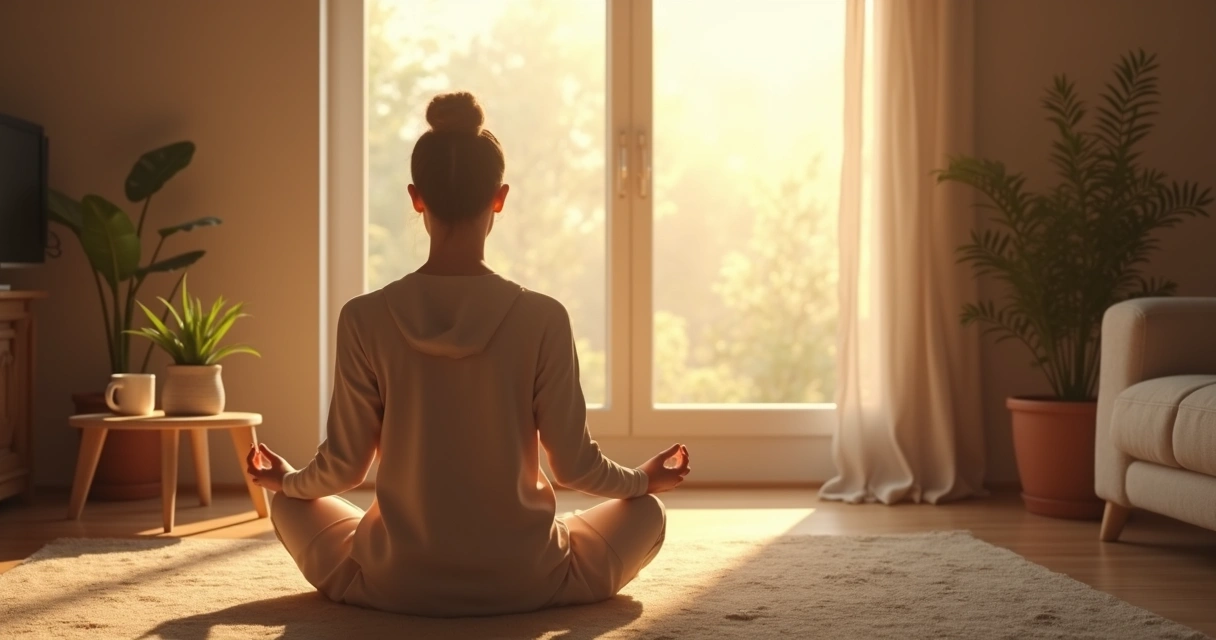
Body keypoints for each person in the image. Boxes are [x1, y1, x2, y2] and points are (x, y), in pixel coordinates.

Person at [245, 91, 691, 618]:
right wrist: (642, 480)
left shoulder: (364, 317)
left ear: (416, 198)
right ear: (499, 198)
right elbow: (574, 467)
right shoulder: (543, 317)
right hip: (527, 580)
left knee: (290, 505)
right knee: (647, 513)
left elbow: (342, 468)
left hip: (395, 582)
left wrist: (287, 480)